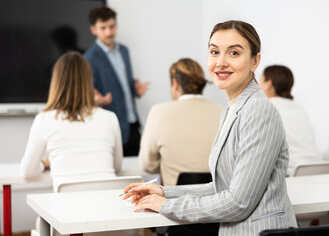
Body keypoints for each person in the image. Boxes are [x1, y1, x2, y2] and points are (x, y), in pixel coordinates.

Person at [123, 20, 298, 236]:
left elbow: (238, 202)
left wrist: (165, 205)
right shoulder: (230, 109)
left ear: (255, 61)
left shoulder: (258, 110)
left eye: (234, 53)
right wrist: (164, 192)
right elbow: (223, 187)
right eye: (214, 52)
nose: (221, 62)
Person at [20, 52, 123, 192]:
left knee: (36, 215)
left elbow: (28, 173)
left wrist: (45, 164)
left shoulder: (44, 119)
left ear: (56, 82)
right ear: (89, 81)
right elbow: (116, 166)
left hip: (65, 211)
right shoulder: (110, 117)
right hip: (110, 207)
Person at [139, 58, 223, 186]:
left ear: (175, 84)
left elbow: (148, 165)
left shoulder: (159, 112)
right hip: (217, 200)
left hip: (173, 201)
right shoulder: (224, 113)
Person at [84, 6, 149, 156]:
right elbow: (87, 96)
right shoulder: (89, 58)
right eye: (103, 28)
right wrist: (96, 100)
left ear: (116, 25)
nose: (109, 32)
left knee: (137, 174)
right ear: (93, 30)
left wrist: (135, 90)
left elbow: (123, 84)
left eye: (112, 26)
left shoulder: (124, 51)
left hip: (132, 124)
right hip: (109, 128)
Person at [259, 65, 322, 176]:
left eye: (260, 80)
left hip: (292, 174)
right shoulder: (299, 108)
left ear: (268, 84)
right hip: (317, 169)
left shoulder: (267, 107)